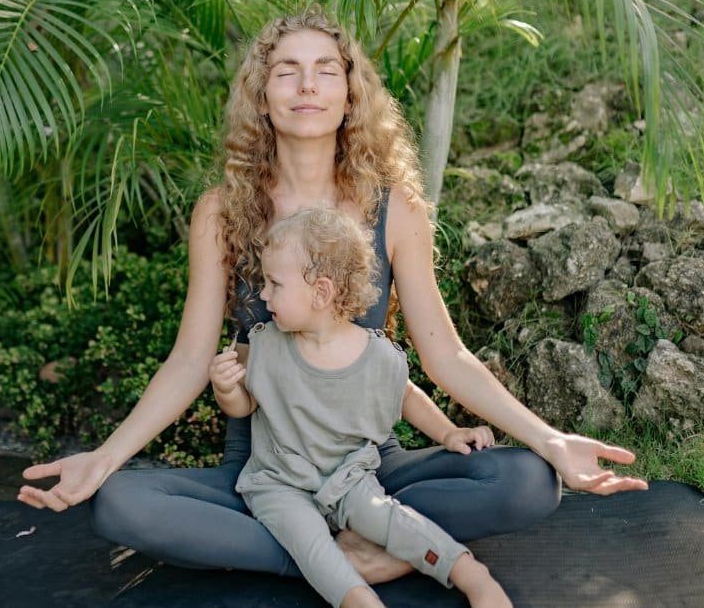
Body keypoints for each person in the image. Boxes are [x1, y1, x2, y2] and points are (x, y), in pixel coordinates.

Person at [19, 7, 648, 584]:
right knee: (122, 505)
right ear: (261, 97)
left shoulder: (394, 210)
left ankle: (329, 545)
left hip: (374, 464)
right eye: (287, 72)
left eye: (326, 70)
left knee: (529, 482)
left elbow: (446, 357)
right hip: (266, 470)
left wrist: (551, 440)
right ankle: (364, 555)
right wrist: (103, 459)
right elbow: (188, 363)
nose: (308, 86)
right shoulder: (220, 212)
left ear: (350, 95)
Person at [209, 205, 509, 608]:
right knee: (308, 541)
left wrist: (448, 433)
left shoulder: (376, 356)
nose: (263, 295)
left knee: (389, 519)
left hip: (349, 478)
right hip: (279, 482)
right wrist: (226, 390)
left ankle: (469, 574)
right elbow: (244, 406)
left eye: (274, 284)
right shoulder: (264, 345)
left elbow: (405, 396)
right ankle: (359, 600)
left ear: (321, 292)